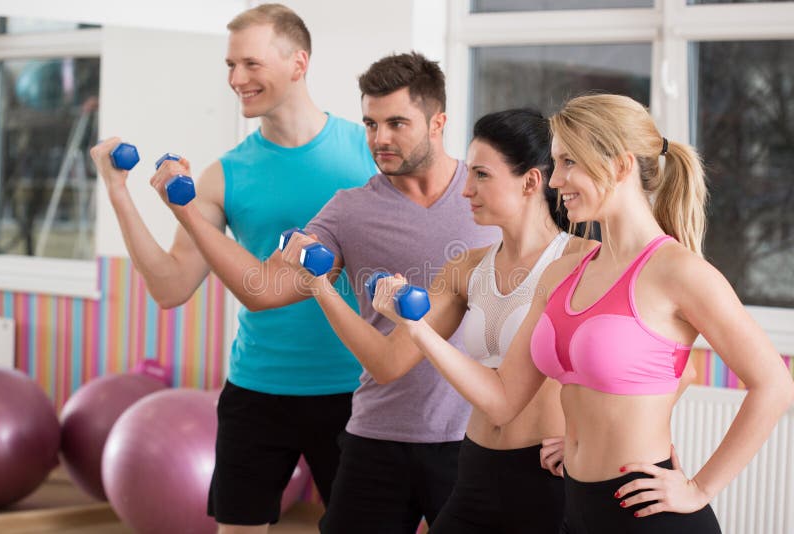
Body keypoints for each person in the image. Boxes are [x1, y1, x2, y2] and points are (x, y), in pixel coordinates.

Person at [375, 93, 794, 533]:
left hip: (645, 514)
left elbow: (773, 385)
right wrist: (417, 331)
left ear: (620, 165)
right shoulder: (564, 272)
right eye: (556, 163)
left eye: (569, 162)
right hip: (577, 507)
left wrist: (701, 488)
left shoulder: (678, 271)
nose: (555, 181)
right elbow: (502, 399)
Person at [148, 51, 500, 533]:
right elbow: (263, 290)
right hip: (377, 435)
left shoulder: (486, 200)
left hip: (473, 436)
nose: (380, 139)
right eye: (371, 124)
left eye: (397, 123)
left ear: (438, 121)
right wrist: (187, 213)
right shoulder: (349, 212)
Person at [89, 4, 377, 533]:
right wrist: (118, 193)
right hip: (258, 387)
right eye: (229, 65)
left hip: (356, 387)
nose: (236, 79)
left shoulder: (367, 155)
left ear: (298, 62)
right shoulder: (224, 174)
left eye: (251, 63)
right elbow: (171, 286)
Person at [285, 107, 595, 533]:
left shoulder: (582, 262)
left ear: (531, 181)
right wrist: (319, 286)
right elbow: (388, 362)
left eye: (481, 175)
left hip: (548, 479)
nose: (466, 190)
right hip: (475, 469)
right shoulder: (467, 268)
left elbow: (659, 366)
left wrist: (590, 436)